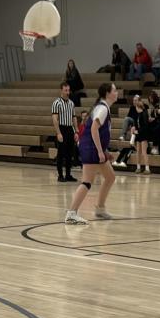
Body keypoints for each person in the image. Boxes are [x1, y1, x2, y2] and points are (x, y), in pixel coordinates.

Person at [64, 81, 118, 225]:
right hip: (90, 148)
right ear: (107, 94)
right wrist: (100, 151)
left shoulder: (103, 107)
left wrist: (105, 151)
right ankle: (71, 213)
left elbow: (99, 133)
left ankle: (100, 208)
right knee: (87, 182)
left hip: (93, 148)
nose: (117, 93)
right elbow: (94, 129)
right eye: (114, 90)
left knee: (110, 177)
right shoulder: (102, 108)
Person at [50, 82, 77, 182]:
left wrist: (76, 131)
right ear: (61, 90)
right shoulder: (56, 103)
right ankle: (60, 175)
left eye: (68, 90)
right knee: (61, 153)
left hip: (70, 129)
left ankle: (68, 175)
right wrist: (58, 133)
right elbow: (55, 119)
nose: (67, 92)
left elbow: (74, 118)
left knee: (70, 153)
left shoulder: (71, 103)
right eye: (66, 90)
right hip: (61, 128)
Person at [114, 94, 142, 170]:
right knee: (126, 119)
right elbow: (129, 117)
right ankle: (123, 136)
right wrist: (131, 126)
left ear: (139, 101)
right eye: (133, 100)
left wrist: (135, 126)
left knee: (131, 147)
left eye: (135, 100)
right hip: (133, 125)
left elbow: (141, 119)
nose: (134, 102)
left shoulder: (143, 108)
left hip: (139, 127)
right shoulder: (132, 108)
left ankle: (124, 161)